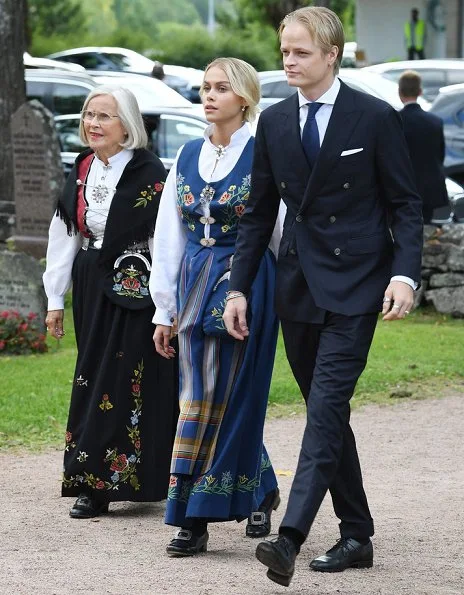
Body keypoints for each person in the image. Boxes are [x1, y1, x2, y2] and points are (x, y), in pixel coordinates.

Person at [223, 6, 423, 587]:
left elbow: (407, 206)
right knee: (326, 413)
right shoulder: (276, 123)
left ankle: (289, 537)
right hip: (296, 288)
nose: (289, 60)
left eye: (301, 51)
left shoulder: (375, 117)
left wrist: (404, 276)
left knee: (327, 409)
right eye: (285, 50)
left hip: (358, 286)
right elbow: (257, 215)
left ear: (331, 54)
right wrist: (238, 288)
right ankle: (357, 532)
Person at [150, 57, 281, 557]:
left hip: (246, 283)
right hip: (191, 284)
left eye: (221, 88)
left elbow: (277, 231)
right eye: (205, 87)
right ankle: (258, 490)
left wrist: (267, 293)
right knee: (197, 394)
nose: (208, 96)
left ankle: (194, 515)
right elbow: (168, 237)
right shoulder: (184, 155)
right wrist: (163, 309)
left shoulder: (262, 153)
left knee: (231, 394)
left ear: (243, 98)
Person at [43, 86, 178, 519]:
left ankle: (126, 480)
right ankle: (89, 478)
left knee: (125, 379)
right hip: (89, 281)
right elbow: (65, 235)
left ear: (128, 126)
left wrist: (165, 305)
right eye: (89, 115)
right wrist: (54, 299)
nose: (93, 123)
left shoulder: (149, 172)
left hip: (134, 286)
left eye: (104, 116)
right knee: (90, 376)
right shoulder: (82, 168)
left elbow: (163, 242)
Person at [399, 70, 448, 224]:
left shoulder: (395, 121)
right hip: (430, 188)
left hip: (403, 189)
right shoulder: (435, 121)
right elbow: (440, 156)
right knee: (424, 230)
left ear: (399, 92)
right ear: (420, 92)